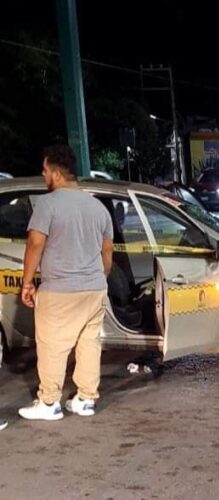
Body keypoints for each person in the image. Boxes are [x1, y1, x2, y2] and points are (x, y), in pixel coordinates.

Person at [18, 145, 114, 421]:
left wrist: (27, 283)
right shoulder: (97, 207)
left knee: (52, 345)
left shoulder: (47, 204)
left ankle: (49, 402)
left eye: (45, 170)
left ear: (56, 174)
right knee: (89, 344)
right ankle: (85, 399)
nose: (43, 174)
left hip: (59, 289)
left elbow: (35, 243)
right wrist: (99, 279)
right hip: (94, 289)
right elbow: (107, 252)